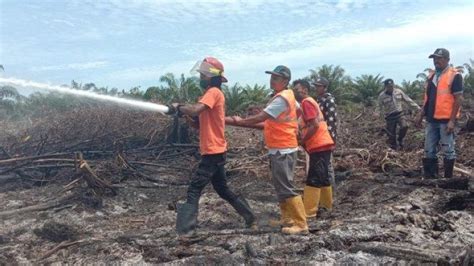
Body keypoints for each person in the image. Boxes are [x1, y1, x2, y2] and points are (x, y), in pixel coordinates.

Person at [167, 57, 256, 236]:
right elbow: (198, 123)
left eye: (202, 74)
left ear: (211, 76)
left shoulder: (213, 92)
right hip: (215, 150)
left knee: (194, 189)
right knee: (222, 188)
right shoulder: (211, 94)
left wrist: (179, 107)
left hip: (213, 151)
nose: (200, 76)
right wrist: (186, 116)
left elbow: (194, 110)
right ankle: (251, 218)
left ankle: (185, 231)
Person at [226, 65, 308, 235]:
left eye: (276, 78)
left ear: (285, 81)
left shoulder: (281, 99)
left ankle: (301, 224)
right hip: (282, 147)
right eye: (272, 77)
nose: (272, 80)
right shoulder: (288, 96)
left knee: (285, 186)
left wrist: (239, 121)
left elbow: (261, 117)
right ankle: (288, 220)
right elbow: (298, 112)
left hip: (283, 148)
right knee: (281, 186)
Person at [415, 48, 464, 179]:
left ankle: (448, 179)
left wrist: (452, 121)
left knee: (448, 150)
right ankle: (431, 178)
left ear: (447, 60)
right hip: (431, 120)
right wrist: (421, 113)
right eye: (434, 58)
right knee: (428, 149)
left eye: (439, 58)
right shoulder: (431, 76)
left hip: (446, 121)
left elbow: (458, 99)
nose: (436, 61)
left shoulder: (455, 75)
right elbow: (428, 97)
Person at [293, 79, 335, 218]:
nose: (294, 92)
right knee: (322, 177)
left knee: (314, 178)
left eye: (297, 89)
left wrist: (302, 140)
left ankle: (309, 212)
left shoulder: (306, 102)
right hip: (322, 143)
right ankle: (326, 207)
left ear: (305, 89)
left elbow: (314, 125)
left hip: (319, 143)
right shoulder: (310, 102)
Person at [377, 78, 421, 150]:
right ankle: (394, 149)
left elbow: (408, 100)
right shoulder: (381, 96)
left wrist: (418, 108)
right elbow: (379, 107)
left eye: (392, 86)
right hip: (389, 117)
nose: (390, 87)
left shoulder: (398, 92)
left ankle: (400, 139)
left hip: (399, 114)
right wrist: (378, 115)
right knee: (391, 135)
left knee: (405, 126)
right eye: (388, 86)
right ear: (385, 87)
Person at [314, 77, 338, 186]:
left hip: (326, 138)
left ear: (325, 87)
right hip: (318, 137)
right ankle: (323, 187)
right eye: (316, 86)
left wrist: (331, 140)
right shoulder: (318, 100)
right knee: (320, 164)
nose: (317, 88)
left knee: (327, 164)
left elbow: (332, 122)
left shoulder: (329, 100)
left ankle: (330, 188)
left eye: (319, 86)